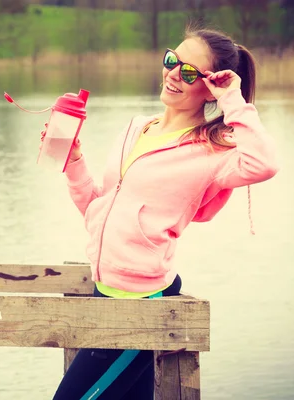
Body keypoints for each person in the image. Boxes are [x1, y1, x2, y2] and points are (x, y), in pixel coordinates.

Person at [43, 26, 279, 400]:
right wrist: (74, 161)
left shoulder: (212, 151)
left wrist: (233, 99)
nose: (173, 74)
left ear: (211, 87)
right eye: (173, 61)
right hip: (104, 294)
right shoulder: (137, 127)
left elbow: (264, 164)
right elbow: (97, 209)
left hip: (141, 306)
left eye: (190, 73)